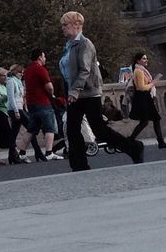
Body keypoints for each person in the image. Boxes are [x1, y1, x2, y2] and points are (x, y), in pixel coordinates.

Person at [58, 11, 144, 171]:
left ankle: (133, 147)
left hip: (88, 93)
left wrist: (74, 91)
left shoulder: (85, 44)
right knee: (72, 130)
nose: (62, 28)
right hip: (75, 94)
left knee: (100, 130)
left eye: (65, 24)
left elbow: (84, 70)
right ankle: (79, 165)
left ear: (76, 25)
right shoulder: (69, 45)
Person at [17, 48, 61, 160]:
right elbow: (49, 86)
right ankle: (49, 152)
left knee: (31, 129)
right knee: (49, 127)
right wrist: (52, 95)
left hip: (32, 103)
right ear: (39, 57)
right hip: (43, 102)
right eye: (44, 56)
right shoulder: (40, 69)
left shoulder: (27, 70)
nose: (45, 58)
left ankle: (21, 153)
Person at [126, 51, 166, 149]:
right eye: (143, 58)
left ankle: (159, 142)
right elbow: (141, 87)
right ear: (138, 61)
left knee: (150, 120)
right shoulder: (138, 71)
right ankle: (131, 139)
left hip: (145, 97)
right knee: (148, 121)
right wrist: (153, 83)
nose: (146, 60)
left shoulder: (142, 70)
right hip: (142, 97)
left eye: (146, 58)